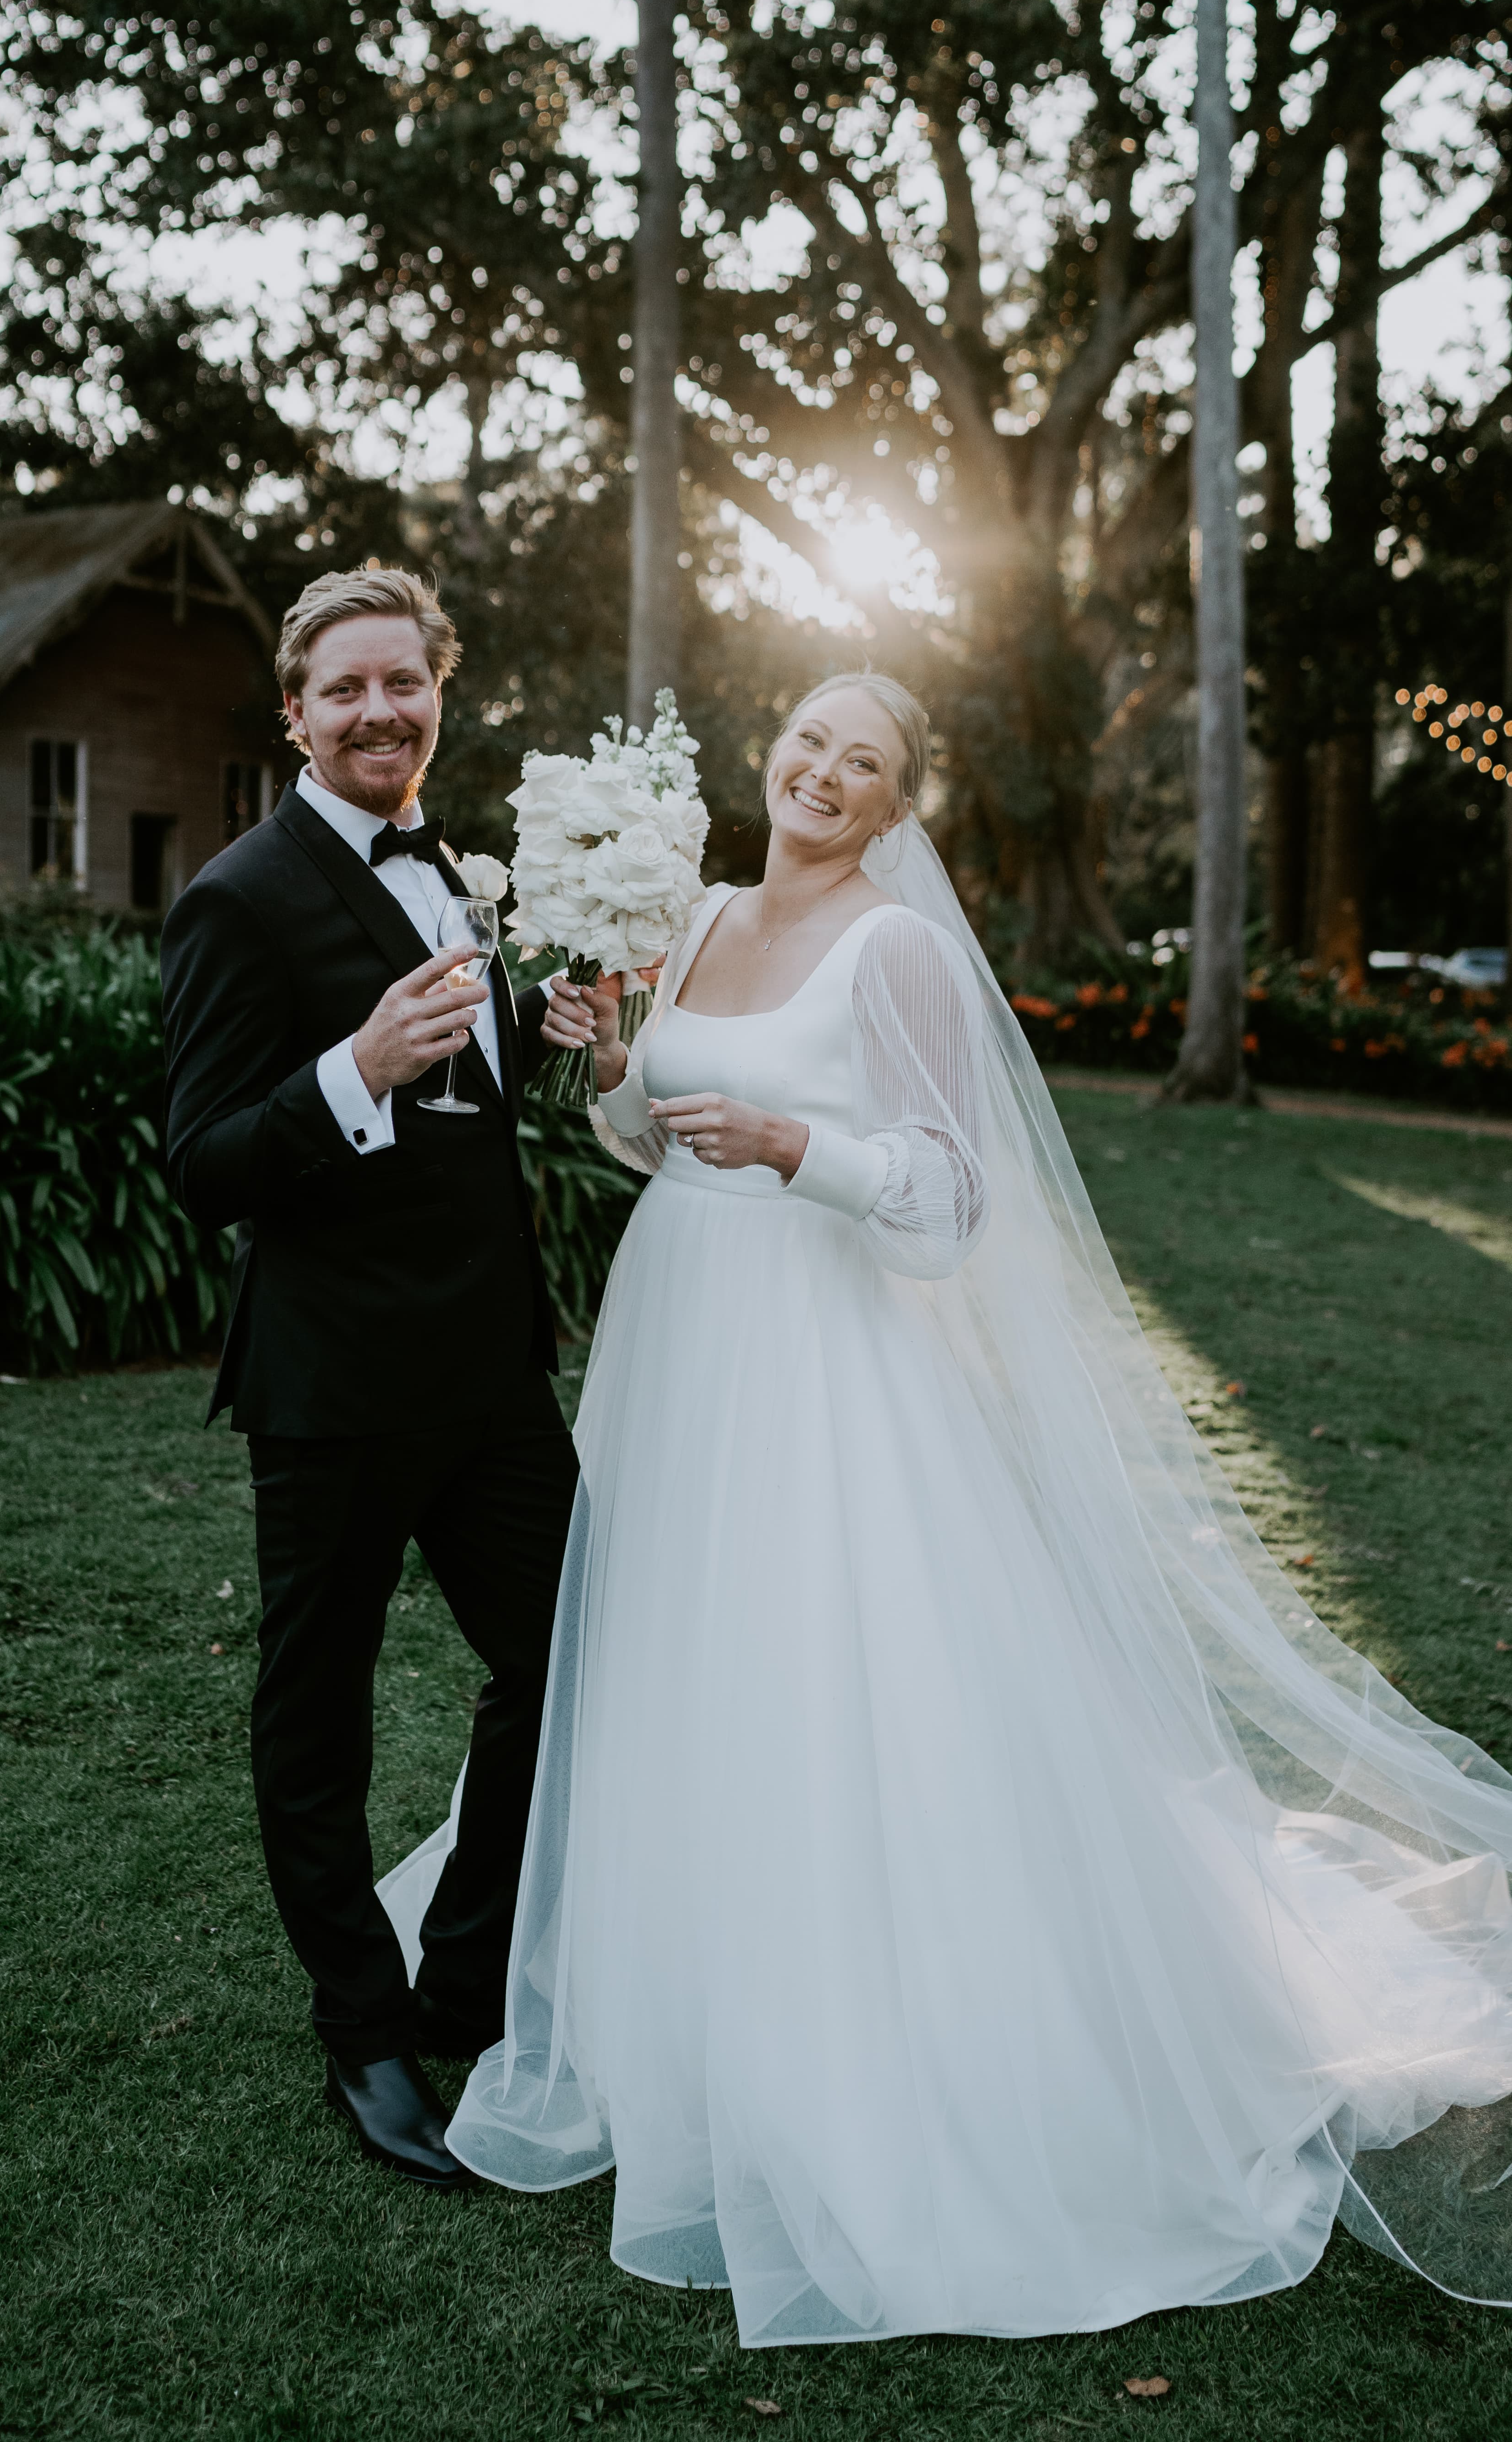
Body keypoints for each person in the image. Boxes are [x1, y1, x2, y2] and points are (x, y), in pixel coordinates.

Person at [409, 672, 1512, 2341]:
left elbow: (950, 1201)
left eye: (867, 763)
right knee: (692, 1665)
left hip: (827, 1361)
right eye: (810, 742)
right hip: (684, 1337)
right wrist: (622, 1062)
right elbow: (648, 1140)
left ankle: (859, 2038)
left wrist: (806, 1150)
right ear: (770, 751)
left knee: (836, 1674)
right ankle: (686, 2017)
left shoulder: (899, 950)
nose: (825, 773)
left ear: (897, 805)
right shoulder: (697, 914)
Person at [160, 567, 577, 2192]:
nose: (378, 712)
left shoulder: (456, 871)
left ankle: (461, 1981)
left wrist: (534, 1028)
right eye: (344, 690)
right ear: (295, 713)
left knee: (573, 1665)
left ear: (435, 698)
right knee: (313, 1719)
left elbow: (463, 1089)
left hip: (490, 1375)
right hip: (331, 1389)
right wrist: (353, 1070)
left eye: (403, 684)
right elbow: (203, 1163)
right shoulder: (238, 899)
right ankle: (364, 2030)